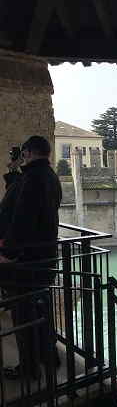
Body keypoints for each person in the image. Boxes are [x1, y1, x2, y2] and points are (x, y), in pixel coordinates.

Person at [0, 136, 62, 379]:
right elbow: (20, 202)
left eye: (23, 154)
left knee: (23, 315)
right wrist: (13, 171)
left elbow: (22, 220)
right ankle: (50, 357)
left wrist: (8, 254)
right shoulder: (48, 177)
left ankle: (29, 370)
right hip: (43, 259)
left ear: (27, 152)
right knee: (40, 311)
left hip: (26, 263)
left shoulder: (33, 179)